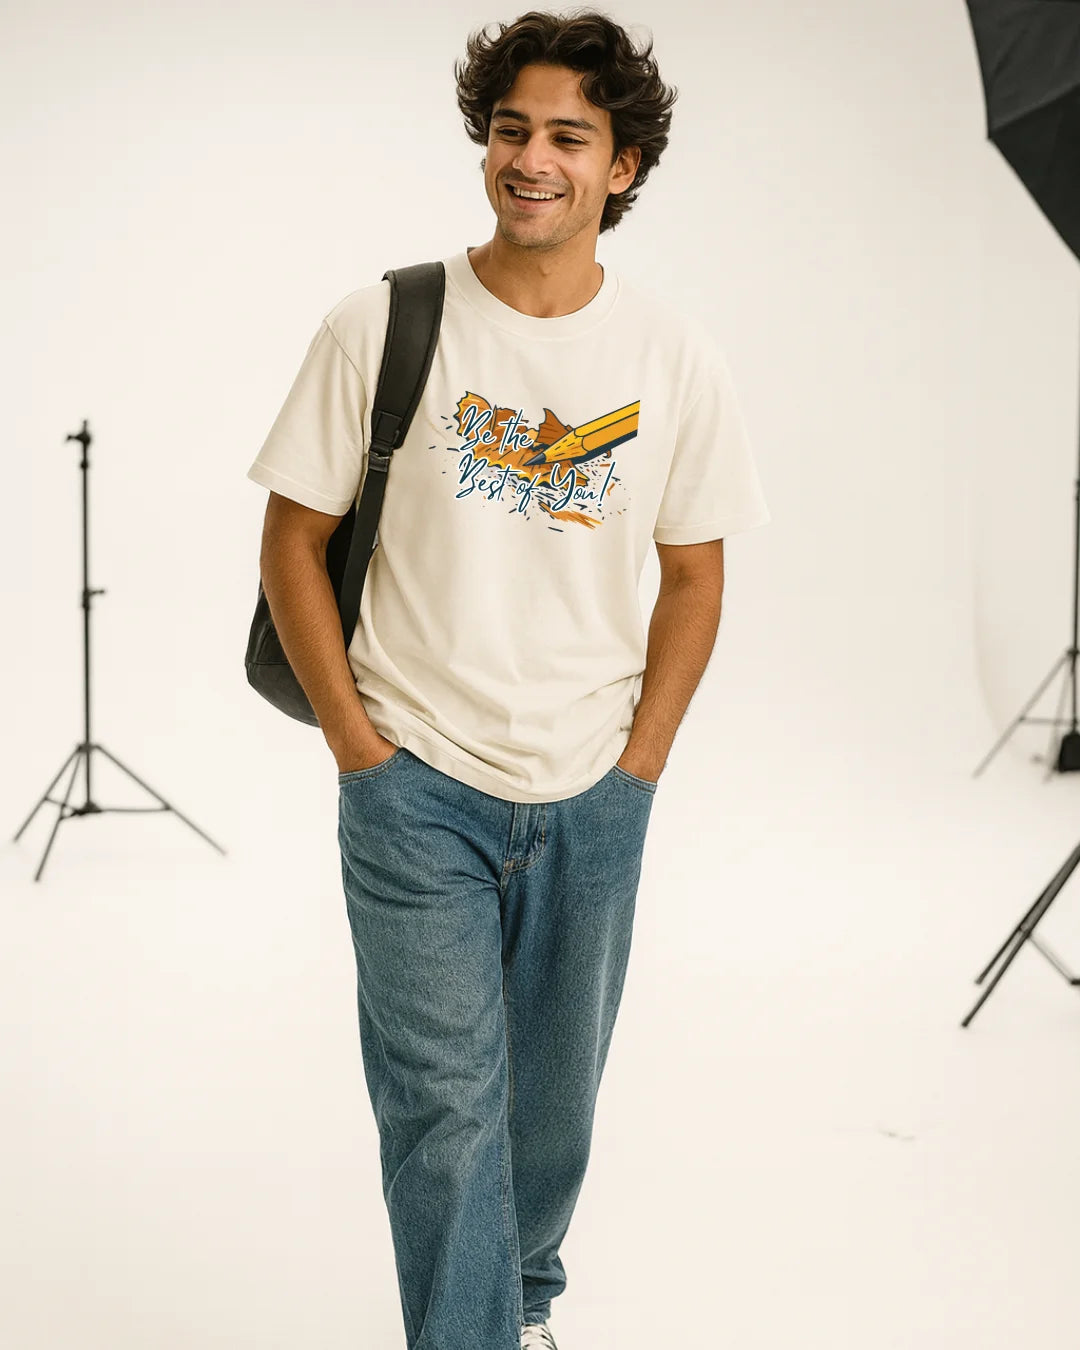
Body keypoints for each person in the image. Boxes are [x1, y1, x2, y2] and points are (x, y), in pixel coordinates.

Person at [246, 10, 770, 1349]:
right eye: (511, 130)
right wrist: (361, 751)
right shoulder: (385, 320)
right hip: (415, 781)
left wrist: (639, 769)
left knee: (552, 1111)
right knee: (445, 1114)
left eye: (567, 138)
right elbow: (293, 541)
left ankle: (523, 1303)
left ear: (624, 168)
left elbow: (697, 577)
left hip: (593, 788)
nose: (530, 158)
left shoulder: (673, 359)